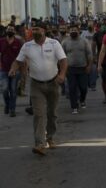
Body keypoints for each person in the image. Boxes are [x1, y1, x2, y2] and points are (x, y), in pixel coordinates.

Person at [9, 21, 67, 155]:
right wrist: (13, 69)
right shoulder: (27, 46)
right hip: (36, 85)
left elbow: (63, 60)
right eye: (33, 29)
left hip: (53, 83)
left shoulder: (54, 43)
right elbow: (18, 61)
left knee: (52, 113)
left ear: (44, 31)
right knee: (38, 114)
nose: (34, 31)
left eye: (37, 29)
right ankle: (40, 143)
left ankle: (50, 137)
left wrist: (62, 74)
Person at [62, 24, 93, 114]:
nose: (73, 31)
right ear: (69, 31)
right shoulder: (65, 42)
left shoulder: (84, 41)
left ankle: (82, 100)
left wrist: (89, 66)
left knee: (83, 88)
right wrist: (62, 69)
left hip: (83, 68)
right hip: (70, 69)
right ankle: (74, 106)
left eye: (74, 30)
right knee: (72, 88)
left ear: (78, 30)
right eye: (71, 30)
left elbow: (89, 54)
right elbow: (61, 56)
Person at [0, 24, 24, 117]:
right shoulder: (1, 41)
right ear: (6, 30)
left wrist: (20, 70)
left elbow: (21, 57)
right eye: (9, 29)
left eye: (12, 29)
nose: (10, 30)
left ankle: (12, 109)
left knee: (13, 90)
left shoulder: (18, 42)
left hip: (15, 70)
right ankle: (7, 105)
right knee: (5, 89)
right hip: (3, 70)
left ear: (14, 32)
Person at [93, 18, 106, 103]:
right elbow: (93, 46)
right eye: (104, 23)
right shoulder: (97, 34)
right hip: (102, 60)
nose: (105, 25)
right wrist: (94, 57)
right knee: (104, 79)